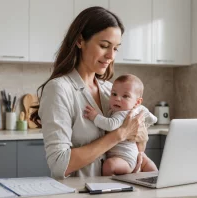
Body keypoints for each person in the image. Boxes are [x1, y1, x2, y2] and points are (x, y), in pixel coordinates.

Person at [31, 6, 158, 179]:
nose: (111, 56)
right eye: (104, 46)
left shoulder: (110, 90)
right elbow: (59, 165)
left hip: (118, 188)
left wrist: (140, 141)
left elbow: (137, 133)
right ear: (80, 41)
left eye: (115, 48)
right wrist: (119, 135)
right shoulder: (59, 89)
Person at [83, 74, 157, 176]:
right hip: (134, 155)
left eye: (125, 96)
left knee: (109, 165)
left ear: (137, 102)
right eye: (114, 94)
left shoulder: (121, 114)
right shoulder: (136, 109)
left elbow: (110, 125)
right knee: (150, 166)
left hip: (124, 159)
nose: (117, 98)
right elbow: (149, 115)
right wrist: (152, 120)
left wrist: (95, 116)